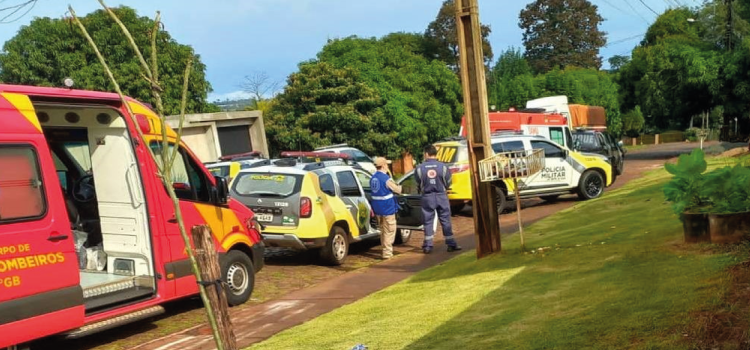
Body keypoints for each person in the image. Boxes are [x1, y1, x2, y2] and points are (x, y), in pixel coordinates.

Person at [415, 145, 462, 254]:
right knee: (445, 220)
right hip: (441, 195)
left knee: (428, 221)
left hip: (427, 197)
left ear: (426, 154)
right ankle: (451, 244)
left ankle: (428, 246)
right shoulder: (443, 167)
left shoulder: (419, 168)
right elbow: (448, 182)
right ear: (435, 154)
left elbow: (418, 183)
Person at [370, 156, 402, 259]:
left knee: (383, 230)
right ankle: (387, 253)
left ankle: (384, 249)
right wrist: (399, 185)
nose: (387, 166)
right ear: (383, 165)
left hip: (377, 208)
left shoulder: (373, 178)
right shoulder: (386, 179)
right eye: (386, 164)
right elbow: (398, 190)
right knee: (390, 230)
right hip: (387, 208)